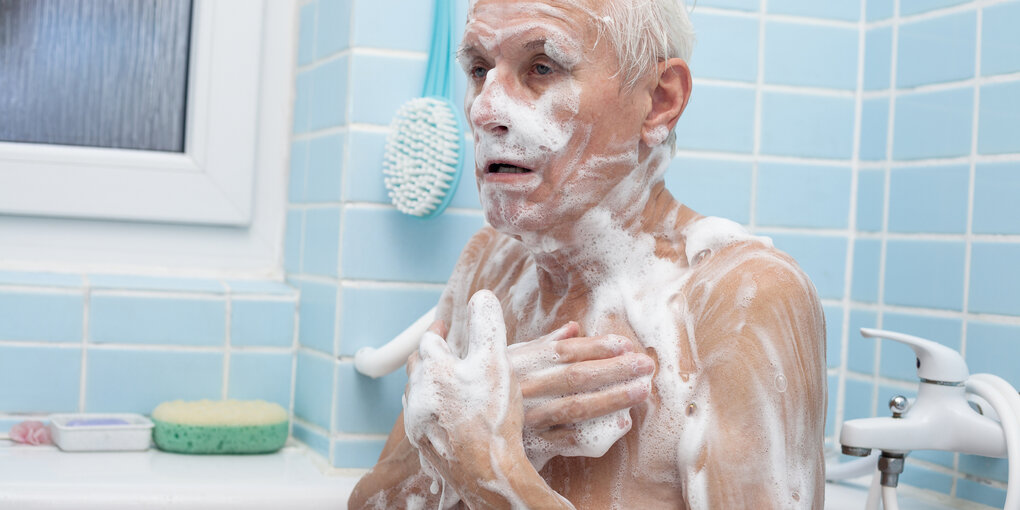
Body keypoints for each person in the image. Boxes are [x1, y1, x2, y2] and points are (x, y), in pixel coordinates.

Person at [349, 0, 826, 507]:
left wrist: (492, 473)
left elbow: (479, 465)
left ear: (659, 101)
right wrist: (447, 442)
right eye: (480, 70)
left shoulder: (742, 299)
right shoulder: (490, 263)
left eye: (541, 68)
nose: (485, 110)